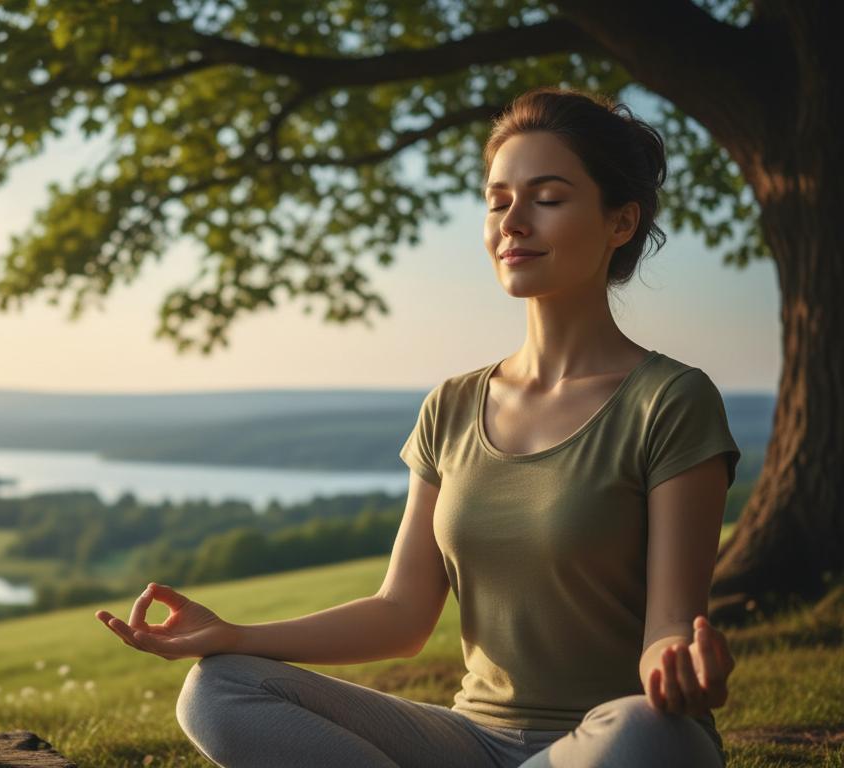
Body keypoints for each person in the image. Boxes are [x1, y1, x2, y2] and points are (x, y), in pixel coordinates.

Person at [94, 86, 742, 768]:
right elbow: (401, 614)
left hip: (609, 742)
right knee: (219, 688)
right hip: (472, 742)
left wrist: (679, 662)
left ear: (621, 222)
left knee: (648, 731)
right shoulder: (452, 406)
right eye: (497, 202)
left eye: (548, 199)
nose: (513, 223)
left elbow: (671, 625)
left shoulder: (669, 401)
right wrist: (233, 634)